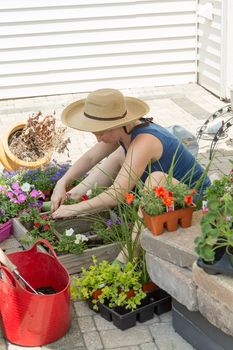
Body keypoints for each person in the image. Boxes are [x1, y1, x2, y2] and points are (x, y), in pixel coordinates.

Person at [51, 88, 211, 260]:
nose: (98, 138)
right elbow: (90, 158)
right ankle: (72, 196)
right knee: (118, 155)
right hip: (168, 198)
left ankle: (128, 256)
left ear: (120, 123)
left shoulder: (145, 140)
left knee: (155, 179)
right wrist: (62, 183)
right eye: (95, 133)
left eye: (101, 132)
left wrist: (73, 211)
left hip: (195, 200)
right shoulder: (125, 130)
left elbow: (117, 194)